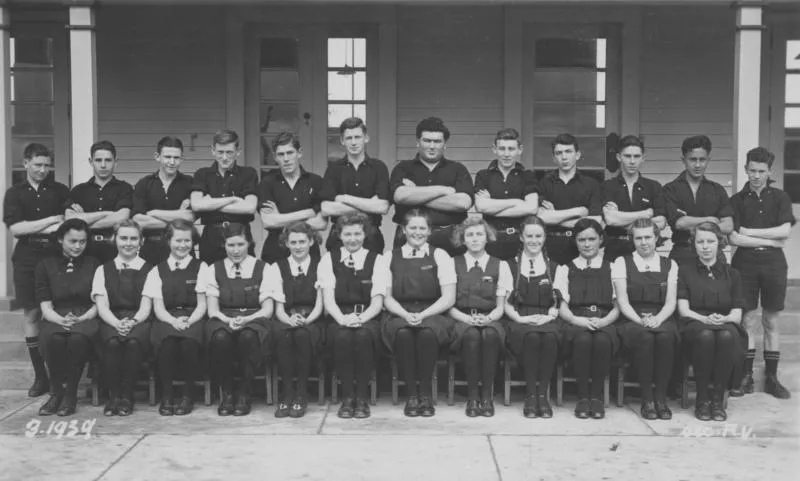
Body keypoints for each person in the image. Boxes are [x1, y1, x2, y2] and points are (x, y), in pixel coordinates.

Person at [3, 143, 69, 397]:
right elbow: (17, 229)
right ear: (25, 163)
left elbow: (66, 223)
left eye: (46, 166)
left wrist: (39, 225)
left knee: (57, 312)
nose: (42, 170)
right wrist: (50, 221)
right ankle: (41, 377)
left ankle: (60, 375)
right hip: (27, 258)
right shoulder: (14, 193)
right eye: (37, 165)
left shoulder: (60, 191)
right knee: (32, 314)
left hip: (55, 256)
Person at [729, 147, 795, 399]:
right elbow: (734, 238)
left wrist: (750, 232)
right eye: (752, 170)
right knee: (746, 319)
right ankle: (745, 376)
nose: (756, 176)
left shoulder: (780, 197)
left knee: (771, 320)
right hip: (744, 263)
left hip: (773, 264)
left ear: (769, 171)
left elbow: (785, 232)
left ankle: (771, 378)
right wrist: (772, 239)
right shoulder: (736, 200)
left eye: (762, 171)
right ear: (746, 169)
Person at [382, 209, 456, 417]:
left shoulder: (440, 255)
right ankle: (411, 395)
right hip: (399, 313)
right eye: (412, 227)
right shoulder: (389, 257)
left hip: (433, 312)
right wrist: (405, 315)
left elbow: (448, 297)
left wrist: (423, 315)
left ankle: (425, 394)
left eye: (422, 228)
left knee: (427, 333)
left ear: (429, 231)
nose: (417, 232)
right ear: (403, 230)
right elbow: (386, 297)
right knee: (404, 334)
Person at [200, 222, 273, 416]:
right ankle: (227, 393)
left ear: (249, 243)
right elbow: (212, 310)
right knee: (220, 338)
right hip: (223, 317)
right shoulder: (214, 269)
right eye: (230, 245)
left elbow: (267, 309)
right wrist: (227, 320)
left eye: (240, 244)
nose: (236, 250)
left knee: (248, 337)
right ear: (223, 245)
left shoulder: (263, 268)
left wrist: (247, 319)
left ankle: (244, 393)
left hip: (255, 318)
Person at [319, 213, 386, 419]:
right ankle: (347, 396)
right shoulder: (328, 259)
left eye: (357, 234)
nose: (353, 239)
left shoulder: (377, 260)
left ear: (365, 235)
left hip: (368, 317)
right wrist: (343, 319)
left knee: (363, 336)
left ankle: (362, 397)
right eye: (348, 234)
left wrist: (360, 319)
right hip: (338, 316)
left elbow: (377, 302)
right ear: (339, 235)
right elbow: (328, 300)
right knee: (343, 336)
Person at [677, 222, 746, 421]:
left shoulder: (733, 274)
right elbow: (684, 310)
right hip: (694, 323)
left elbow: (737, 314)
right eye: (700, 242)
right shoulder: (685, 272)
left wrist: (723, 318)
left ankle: (717, 400)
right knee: (706, 335)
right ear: (694, 244)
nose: (705, 246)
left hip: (726, 323)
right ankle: (702, 399)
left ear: (719, 243)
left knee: (725, 336)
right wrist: (705, 319)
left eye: (710, 241)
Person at [612, 219, 678, 420]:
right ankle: (647, 398)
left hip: (662, 317)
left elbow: (671, 302)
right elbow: (623, 302)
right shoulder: (622, 262)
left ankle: (660, 398)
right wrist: (641, 321)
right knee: (646, 337)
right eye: (638, 238)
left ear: (656, 238)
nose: (644, 242)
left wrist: (657, 319)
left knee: (665, 337)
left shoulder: (669, 264)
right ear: (632, 240)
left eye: (648, 237)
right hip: (632, 319)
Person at [554, 218, 620, 420]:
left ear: (600, 239)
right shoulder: (565, 269)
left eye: (592, 239)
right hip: (575, 320)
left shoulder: (613, 267)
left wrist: (604, 322)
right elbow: (562, 307)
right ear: (575, 241)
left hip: (605, 319)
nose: (587, 244)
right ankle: (583, 397)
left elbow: (618, 306)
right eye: (582, 240)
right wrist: (579, 321)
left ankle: (596, 397)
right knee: (583, 339)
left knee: (601, 340)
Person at [34, 219, 100, 416]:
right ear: (60, 239)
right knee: (53, 338)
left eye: (82, 241)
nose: (78, 246)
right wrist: (59, 320)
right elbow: (45, 305)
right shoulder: (45, 265)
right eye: (73, 241)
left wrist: (82, 319)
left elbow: (98, 303)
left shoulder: (94, 264)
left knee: (78, 338)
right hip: (55, 315)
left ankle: (70, 394)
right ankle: (56, 392)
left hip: (86, 315)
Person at [449, 218, 512, 418]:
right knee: (472, 336)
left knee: (490, 335)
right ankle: (472, 396)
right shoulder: (452, 263)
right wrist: (466, 319)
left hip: (491, 318)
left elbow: (501, 306)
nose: (475, 239)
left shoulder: (500, 265)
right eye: (470, 235)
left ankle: (487, 396)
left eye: (479, 234)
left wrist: (488, 318)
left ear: (487, 238)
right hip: (461, 318)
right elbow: (448, 304)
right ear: (463, 239)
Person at [143, 220, 207, 416]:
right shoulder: (157, 270)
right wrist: (173, 321)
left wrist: (189, 320)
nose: (183, 245)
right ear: (169, 241)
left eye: (187, 241)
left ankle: (188, 395)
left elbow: (202, 304)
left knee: (189, 343)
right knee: (167, 343)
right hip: (167, 318)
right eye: (178, 240)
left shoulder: (201, 267)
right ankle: (167, 395)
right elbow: (158, 307)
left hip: (193, 317)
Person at [92, 220, 153, 416]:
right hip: (111, 318)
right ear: (114, 239)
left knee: (133, 342)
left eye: (133, 238)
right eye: (123, 238)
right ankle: (114, 396)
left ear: (141, 241)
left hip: (139, 319)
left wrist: (133, 322)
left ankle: (127, 396)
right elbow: (102, 306)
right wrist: (116, 323)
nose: (128, 243)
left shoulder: (150, 270)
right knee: (112, 342)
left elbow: (146, 306)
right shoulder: (102, 270)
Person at [390, 117, 473, 256]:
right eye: (427, 140)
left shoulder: (458, 169)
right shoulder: (403, 168)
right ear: (418, 142)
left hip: (451, 240)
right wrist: (444, 190)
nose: (432, 146)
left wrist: (415, 194)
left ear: (445, 144)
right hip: (409, 238)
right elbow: (400, 196)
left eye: (437, 141)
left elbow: (462, 203)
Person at [503, 216, 559, 418]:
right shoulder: (509, 265)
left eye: (538, 236)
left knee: (550, 337)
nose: (534, 241)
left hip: (547, 318)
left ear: (545, 237)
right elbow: (506, 303)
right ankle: (530, 395)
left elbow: (558, 302)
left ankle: (542, 395)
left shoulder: (555, 267)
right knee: (532, 337)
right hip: (519, 318)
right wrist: (520, 319)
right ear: (521, 237)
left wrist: (550, 316)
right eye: (529, 236)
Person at [270, 222, 325, 418]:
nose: (298, 246)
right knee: (284, 336)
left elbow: (321, 303)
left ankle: (301, 393)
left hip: (313, 318)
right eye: (293, 242)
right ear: (286, 243)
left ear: (311, 241)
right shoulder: (277, 267)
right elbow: (278, 307)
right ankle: (287, 393)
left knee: (302, 335)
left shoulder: (321, 264)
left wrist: (307, 320)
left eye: (302, 241)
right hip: (286, 317)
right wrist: (288, 319)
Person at [321, 117, 390, 253]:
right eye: (349, 138)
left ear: (366, 138)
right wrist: (369, 205)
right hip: (339, 236)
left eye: (357, 137)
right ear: (342, 141)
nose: (353, 142)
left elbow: (382, 207)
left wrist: (344, 198)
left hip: (371, 236)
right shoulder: (333, 169)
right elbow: (326, 208)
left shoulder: (378, 167)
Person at [190, 130, 259, 264]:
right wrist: (232, 199)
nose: (225, 157)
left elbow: (250, 207)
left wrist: (210, 204)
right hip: (211, 237)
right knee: (210, 274)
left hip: (240, 235)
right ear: (213, 151)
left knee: (244, 275)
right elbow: (197, 205)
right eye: (220, 152)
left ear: (238, 152)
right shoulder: (202, 174)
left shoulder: (248, 173)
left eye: (229, 152)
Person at [663, 135, 734, 266]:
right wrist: (711, 220)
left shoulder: (717, 190)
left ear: (708, 160)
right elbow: (679, 223)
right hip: (683, 253)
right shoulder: (670, 189)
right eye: (692, 159)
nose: (697, 165)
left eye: (702, 160)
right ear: (683, 160)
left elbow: (728, 226)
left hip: (714, 254)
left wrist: (692, 222)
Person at [259, 132, 327, 263]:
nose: (286, 159)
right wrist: (309, 212)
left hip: (309, 252)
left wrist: (281, 219)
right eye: (281, 154)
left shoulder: (316, 181)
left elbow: (321, 223)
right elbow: (269, 221)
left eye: (290, 153)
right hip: (275, 252)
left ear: (299, 153)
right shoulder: (267, 183)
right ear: (275, 157)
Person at [537, 134, 603, 266]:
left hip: (581, 246)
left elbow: (595, 221)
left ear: (577, 155)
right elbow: (542, 218)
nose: (564, 157)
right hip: (551, 245)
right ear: (554, 158)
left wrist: (555, 217)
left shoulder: (591, 184)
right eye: (559, 153)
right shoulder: (544, 183)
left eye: (568, 151)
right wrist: (580, 211)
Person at [474, 128, 539, 261]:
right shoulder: (483, 176)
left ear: (520, 150)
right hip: (491, 240)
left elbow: (531, 208)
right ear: (494, 149)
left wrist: (492, 206)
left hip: (520, 240)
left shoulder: (528, 176)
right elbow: (481, 207)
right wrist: (516, 202)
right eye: (502, 149)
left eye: (511, 149)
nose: (506, 154)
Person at [65, 140, 133, 264]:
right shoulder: (78, 191)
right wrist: (107, 214)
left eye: (108, 160)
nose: (103, 165)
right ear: (91, 162)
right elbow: (70, 220)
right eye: (98, 160)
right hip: (85, 250)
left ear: (115, 162)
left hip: (115, 249)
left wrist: (84, 219)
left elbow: (122, 218)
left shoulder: (125, 188)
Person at [601, 135, 667, 262]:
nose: (632, 161)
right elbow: (610, 219)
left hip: (645, 249)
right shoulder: (608, 186)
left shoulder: (653, 186)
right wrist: (646, 214)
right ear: (619, 157)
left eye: (636, 156)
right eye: (627, 156)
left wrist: (621, 219)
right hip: (615, 250)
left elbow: (661, 222)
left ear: (643, 158)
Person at [132, 137, 194, 265]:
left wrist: (153, 213)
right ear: (157, 157)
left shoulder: (190, 183)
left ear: (182, 158)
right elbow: (138, 221)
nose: (172, 162)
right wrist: (178, 217)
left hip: (182, 248)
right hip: (151, 249)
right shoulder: (144, 184)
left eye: (176, 158)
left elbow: (189, 218)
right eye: (167, 157)